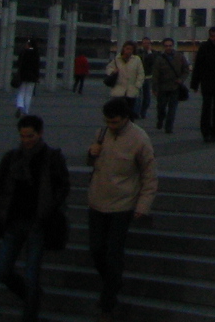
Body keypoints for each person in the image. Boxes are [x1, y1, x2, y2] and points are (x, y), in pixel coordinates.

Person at [0, 113, 69, 322]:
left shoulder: (51, 157)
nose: (26, 140)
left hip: (38, 223)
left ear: (40, 134)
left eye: (30, 136)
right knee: (3, 271)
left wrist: (49, 210)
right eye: (23, 136)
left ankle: (30, 312)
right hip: (14, 221)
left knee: (32, 275)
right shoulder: (12, 158)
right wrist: (0, 207)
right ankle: (31, 299)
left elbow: (62, 187)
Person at [87, 97, 156, 322]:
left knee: (113, 253)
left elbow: (149, 175)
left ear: (126, 118)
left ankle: (107, 304)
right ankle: (114, 283)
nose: (111, 126)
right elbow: (92, 163)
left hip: (122, 204)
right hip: (97, 201)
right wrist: (91, 153)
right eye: (108, 122)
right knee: (96, 250)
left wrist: (143, 205)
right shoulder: (102, 133)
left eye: (115, 122)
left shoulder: (139, 139)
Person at [151, 38, 189, 133]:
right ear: (163, 47)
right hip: (162, 87)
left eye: (170, 45)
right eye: (166, 46)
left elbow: (186, 70)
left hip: (175, 87)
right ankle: (160, 119)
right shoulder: (159, 58)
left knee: (172, 109)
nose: (168, 47)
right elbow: (155, 74)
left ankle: (169, 127)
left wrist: (181, 79)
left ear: (173, 46)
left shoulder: (179, 57)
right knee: (161, 107)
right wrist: (155, 88)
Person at [104, 41, 145, 119]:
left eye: (131, 49)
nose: (128, 51)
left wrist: (138, 85)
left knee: (130, 112)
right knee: (118, 112)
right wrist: (113, 71)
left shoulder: (136, 60)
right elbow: (108, 68)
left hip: (131, 89)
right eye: (127, 48)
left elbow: (141, 73)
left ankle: (129, 124)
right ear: (123, 49)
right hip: (118, 89)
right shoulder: (117, 59)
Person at [13, 39, 41, 118]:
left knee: (21, 92)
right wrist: (37, 77)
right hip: (32, 76)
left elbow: (18, 64)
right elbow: (37, 67)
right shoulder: (36, 53)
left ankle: (20, 106)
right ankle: (26, 111)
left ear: (28, 45)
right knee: (28, 94)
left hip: (22, 75)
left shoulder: (23, 52)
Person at [135, 38, 155, 122]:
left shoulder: (153, 53)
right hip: (138, 77)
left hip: (148, 77)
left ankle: (143, 112)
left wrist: (150, 52)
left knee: (147, 96)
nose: (146, 45)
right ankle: (137, 112)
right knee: (138, 96)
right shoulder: (138, 52)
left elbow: (152, 62)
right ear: (142, 44)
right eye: (145, 43)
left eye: (148, 43)